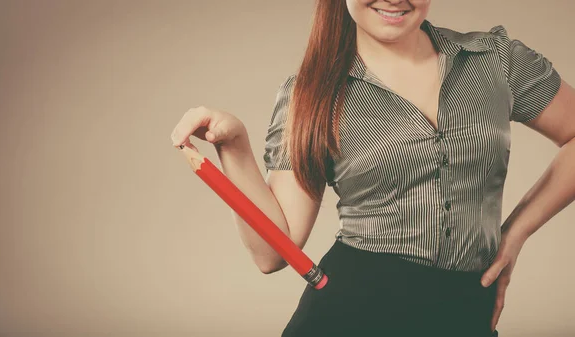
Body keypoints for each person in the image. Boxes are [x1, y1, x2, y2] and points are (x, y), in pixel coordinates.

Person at [171, 0, 575, 336]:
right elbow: (272, 254)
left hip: (466, 312)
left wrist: (517, 232)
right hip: (351, 313)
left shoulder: (497, 62)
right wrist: (235, 146)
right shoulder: (312, 94)